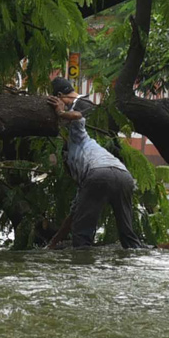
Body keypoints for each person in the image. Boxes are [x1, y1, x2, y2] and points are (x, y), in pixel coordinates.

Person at [46, 77, 144, 249]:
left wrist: (61, 113)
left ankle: (83, 267)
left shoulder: (76, 139)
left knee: (82, 236)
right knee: (128, 236)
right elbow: (74, 212)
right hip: (124, 175)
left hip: (99, 174)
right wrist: (53, 243)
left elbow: (77, 116)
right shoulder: (92, 151)